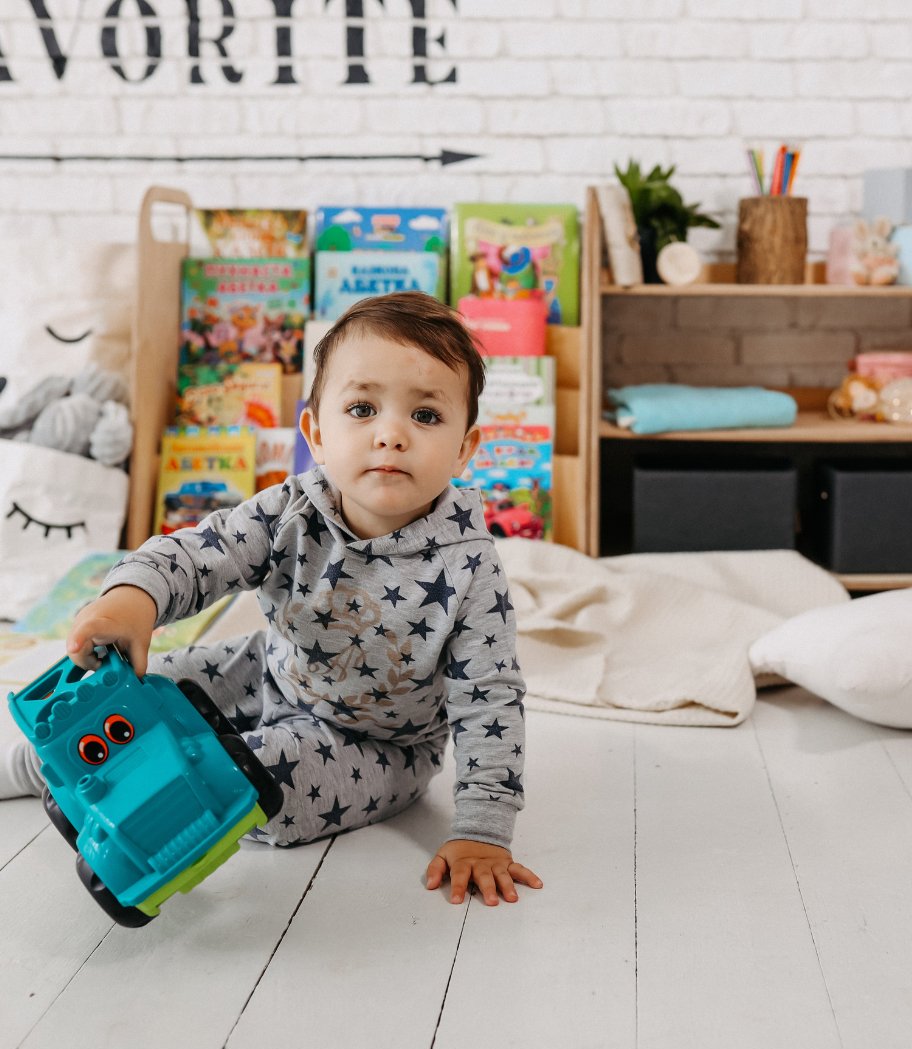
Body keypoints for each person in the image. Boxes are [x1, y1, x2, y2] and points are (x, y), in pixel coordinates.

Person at [0, 291, 542, 908]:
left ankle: (156, 807)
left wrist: (482, 830)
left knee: (260, 785)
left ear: (466, 447)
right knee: (143, 691)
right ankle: (36, 766)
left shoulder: (470, 563)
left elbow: (489, 699)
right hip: (269, 671)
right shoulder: (290, 510)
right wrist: (133, 599)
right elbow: (199, 553)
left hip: (382, 744)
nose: (390, 435)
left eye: (425, 417)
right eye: (362, 408)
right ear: (315, 430)